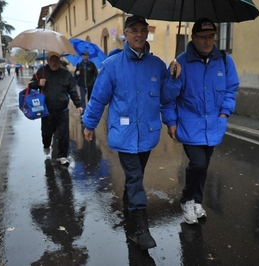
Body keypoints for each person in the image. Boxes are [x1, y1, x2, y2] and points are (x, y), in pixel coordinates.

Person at [82, 15, 167, 250]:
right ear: (125, 35)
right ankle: (141, 228)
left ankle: (129, 209)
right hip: (124, 133)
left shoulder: (157, 65)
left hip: (148, 134)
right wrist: (89, 124)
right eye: (133, 30)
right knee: (135, 178)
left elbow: (167, 97)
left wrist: (175, 77)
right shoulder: (112, 65)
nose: (139, 34)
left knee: (135, 177)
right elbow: (98, 98)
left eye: (143, 30)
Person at [161, 18, 240, 224]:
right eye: (203, 37)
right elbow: (168, 98)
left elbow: (231, 90)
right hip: (189, 125)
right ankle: (187, 200)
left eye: (211, 36)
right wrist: (173, 79)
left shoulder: (224, 60)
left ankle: (197, 201)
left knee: (204, 166)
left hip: (214, 125)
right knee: (198, 164)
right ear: (193, 38)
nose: (207, 41)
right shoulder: (181, 62)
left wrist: (224, 113)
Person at [29, 51, 83, 166]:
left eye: (56, 60)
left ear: (59, 61)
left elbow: (72, 90)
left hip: (62, 110)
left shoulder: (66, 74)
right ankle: (46, 145)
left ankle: (62, 156)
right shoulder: (42, 71)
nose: (54, 63)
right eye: (51, 60)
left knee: (63, 134)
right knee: (47, 133)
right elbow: (31, 84)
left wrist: (78, 104)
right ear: (48, 61)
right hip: (47, 111)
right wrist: (39, 83)